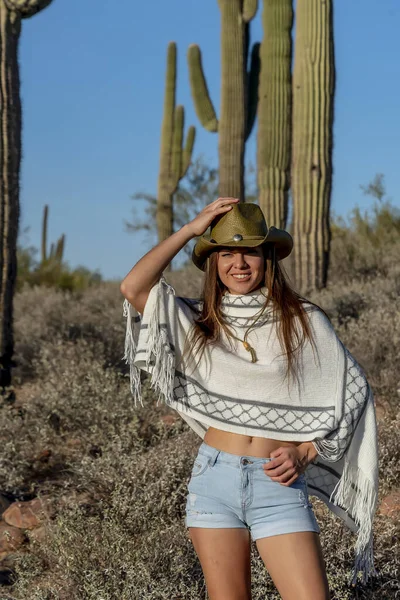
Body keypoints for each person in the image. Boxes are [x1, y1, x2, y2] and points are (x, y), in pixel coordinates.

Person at [120, 197, 379, 600]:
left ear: (267, 258)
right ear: (213, 261)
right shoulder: (199, 320)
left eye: (250, 253)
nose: (238, 264)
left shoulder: (305, 320)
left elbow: (354, 390)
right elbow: (133, 287)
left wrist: (308, 451)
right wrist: (192, 229)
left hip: (277, 483)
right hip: (213, 480)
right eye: (226, 253)